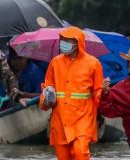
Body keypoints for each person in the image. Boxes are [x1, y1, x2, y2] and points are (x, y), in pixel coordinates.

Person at [39, 26, 104, 160]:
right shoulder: (55, 63)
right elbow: (47, 87)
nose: (63, 43)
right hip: (60, 119)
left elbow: (98, 92)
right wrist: (44, 101)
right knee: (63, 156)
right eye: (62, 39)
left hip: (82, 118)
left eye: (68, 40)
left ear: (77, 42)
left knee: (80, 153)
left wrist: (105, 94)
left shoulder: (93, 63)